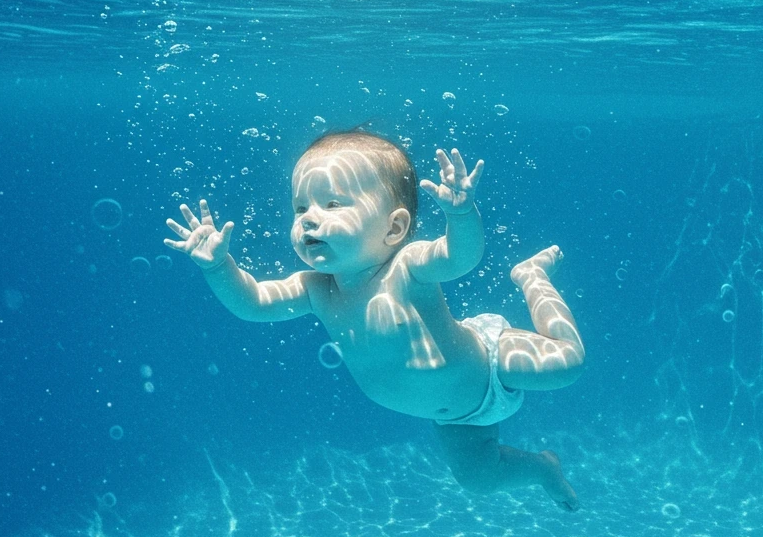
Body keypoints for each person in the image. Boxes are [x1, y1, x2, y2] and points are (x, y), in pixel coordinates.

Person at [164, 129, 584, 509]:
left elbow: (461, 258)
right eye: (299, 207)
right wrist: (220, 267)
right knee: (479, 479)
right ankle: (543, 468)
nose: (309, 217)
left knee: (567, 364)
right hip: (454, 414)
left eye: (331, 204)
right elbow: (253, 303)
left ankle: (531, 276)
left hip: (490, 361)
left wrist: (460, 215)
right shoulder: (316, 287)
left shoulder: (408, 266)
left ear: (395, 227)